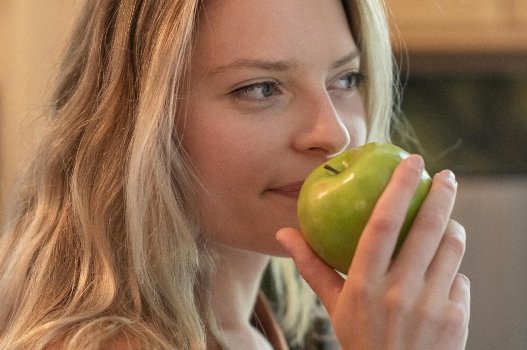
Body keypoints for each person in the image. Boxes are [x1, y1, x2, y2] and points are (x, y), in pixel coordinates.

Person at [0, 0, 470, 349]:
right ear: (139, 126)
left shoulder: (274, 328)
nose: (333, 134)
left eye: (345, 80)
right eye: (260, 88)